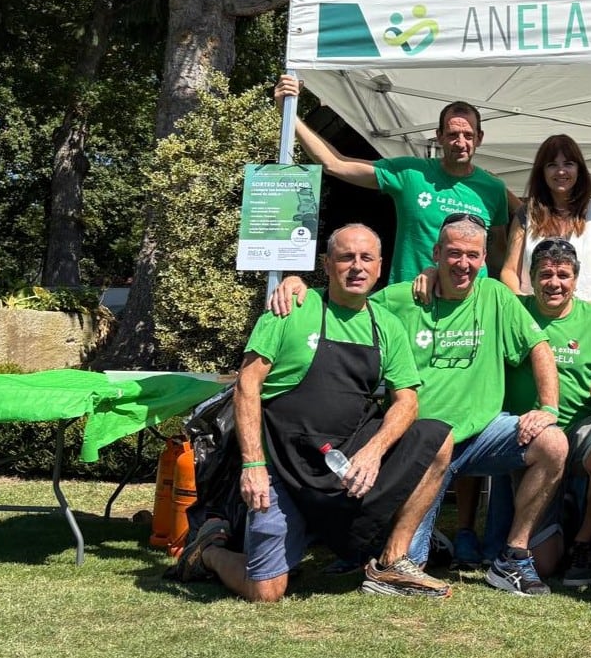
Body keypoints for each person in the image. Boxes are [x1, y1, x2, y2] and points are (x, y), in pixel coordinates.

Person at [270, 214, 568, 596]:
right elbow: (343, 299)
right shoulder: (402, 297)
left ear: (483, 259)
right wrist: (299, 286)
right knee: (404, 563)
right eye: (454, 254)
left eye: (473, 255)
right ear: (437, 253)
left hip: (482, 434)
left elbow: (538, 348)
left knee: (554, 444)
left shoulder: (495, 295)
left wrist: (549, 409)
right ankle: (404, 547)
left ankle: (513, 558)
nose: (464, 264)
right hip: (422, 447)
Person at [171, 224, 454, 601]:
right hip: (283, 470)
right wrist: (254, 466)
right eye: (346, 257)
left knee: (438, 438)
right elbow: (247, 385)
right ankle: (208, 553)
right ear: (327, 263)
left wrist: (373, 452)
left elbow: (407, 401)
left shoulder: (386, 325)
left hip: (344, 467)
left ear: (380, 266)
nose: (357, 267)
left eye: (366, 258)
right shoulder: (292, 308)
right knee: (266, 591)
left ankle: (392, 561)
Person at [274, 76, 513, 282]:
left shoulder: (493, 188)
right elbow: (335, 163)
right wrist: (289, 114)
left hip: (467, 308)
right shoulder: (410, 173)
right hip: (410, 302)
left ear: (479, 138)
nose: (461, 143)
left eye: (468, 135)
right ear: (439, 136)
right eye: (452, 135)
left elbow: (497, 254)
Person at [497, 238, 591, 587]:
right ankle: (564, 516)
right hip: (532, 436)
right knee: (543, 565)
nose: (554, 283)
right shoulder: (512, 310)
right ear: (530, 277)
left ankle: (584, 542)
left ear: (576, 279)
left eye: (563, 275)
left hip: (583, 426)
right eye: (545, 274)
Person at [500, 134, 591, 309]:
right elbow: (509, 270)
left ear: (579, 169)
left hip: (586, 318)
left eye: (568, 164)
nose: (561, 171)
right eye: (552, 165)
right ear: (542, 172)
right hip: (534, 318)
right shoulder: (525, 214)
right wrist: (521, 304)